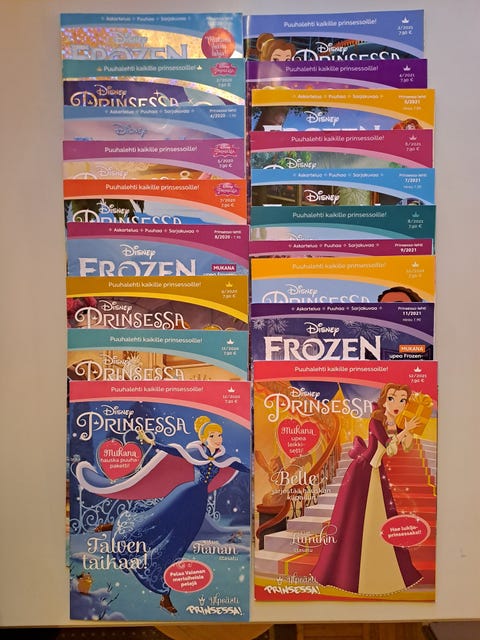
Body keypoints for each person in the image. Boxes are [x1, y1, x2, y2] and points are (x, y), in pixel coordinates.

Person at [76, 415, 249, 614]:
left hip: (198, 503)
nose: (218, 438)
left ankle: (161, 588)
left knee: (179, 542)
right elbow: (174, 451)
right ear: (204, 438)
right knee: (157, 522)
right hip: (184, 495)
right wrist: (151, 442)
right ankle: (125, 545)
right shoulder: (195, 452)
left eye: (219, 435)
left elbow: (239, 466)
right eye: (213, 435)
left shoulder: (223, 458)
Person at [311, 383, 423, 595]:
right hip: (363, 470)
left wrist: (408, 432)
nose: (397, 404)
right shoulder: (376, 421)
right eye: (392, 398)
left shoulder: (393, 424)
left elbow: (405, 447)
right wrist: (405, 432)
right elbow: (388, 446)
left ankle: (380, 568)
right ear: (384, 400)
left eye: (402, 400)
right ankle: (346, 572)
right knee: (354, 518)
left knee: (378, 516)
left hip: (376, 472)